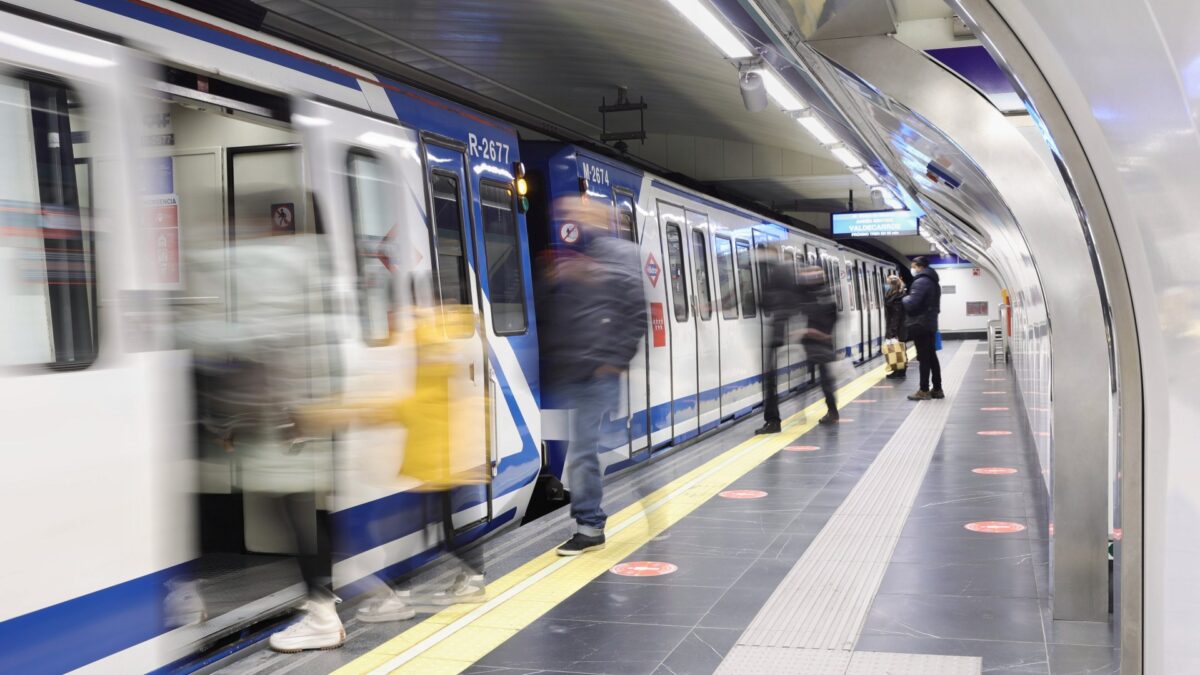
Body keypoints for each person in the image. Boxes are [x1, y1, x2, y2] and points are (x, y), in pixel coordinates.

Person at [540, 199, 647, 556]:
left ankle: (589, 526)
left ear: (602, 218)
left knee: (583, 451)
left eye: (580, 213)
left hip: (597, 372)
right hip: (572, 371)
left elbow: (634, 314)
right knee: (585, 448)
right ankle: (618, 504)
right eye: (568, 214)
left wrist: (613, 362)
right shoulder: (569, 257)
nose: (572, 219)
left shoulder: (620, 255)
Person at [756, 244, 803, 435]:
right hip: (784, 330)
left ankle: (773, 420)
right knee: (772, 377)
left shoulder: (778, 272)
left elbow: (766, 301)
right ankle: (782, 417)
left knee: (770, 377)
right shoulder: (786, 271)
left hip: (778, 331)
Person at [797, 263, 840, 424]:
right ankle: (828, 411)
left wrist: (813, 332)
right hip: (815, 343)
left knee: (824, 380)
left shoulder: (822, 296)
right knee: (820, 379)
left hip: (820, 343)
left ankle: (832, 411)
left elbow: (825, 318)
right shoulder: (819, 293)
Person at [903, 256, 943, 400]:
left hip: (920, 324)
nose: (912, 269)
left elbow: (912, 303)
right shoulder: (932, 281)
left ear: (919, 266)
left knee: (924, 358)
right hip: (929, 323)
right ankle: (937, 389)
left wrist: (904, 296)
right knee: (932, 357)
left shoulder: (921, 281)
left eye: (913, 266)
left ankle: (924, 390)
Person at [883, 275, 908, 379]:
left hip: (898, 327)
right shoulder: (895, 294)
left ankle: (900, 371)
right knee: (898, 348)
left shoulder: (898, 297)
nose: (886, 286)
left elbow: (896, 316)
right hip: (896, 326)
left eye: (887, 284)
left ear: (892, 285)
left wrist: (893, 331)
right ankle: (898, 370)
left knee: (899, 348)